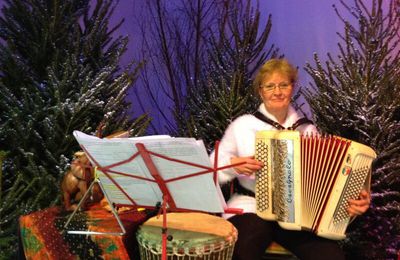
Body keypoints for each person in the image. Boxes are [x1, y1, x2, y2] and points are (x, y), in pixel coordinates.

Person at [210, 58, 371, 260]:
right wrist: (232, 165)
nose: (277, 92)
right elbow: (212, 165)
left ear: (292, 88)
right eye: (270, 86)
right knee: (245, 247)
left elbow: (326, 180)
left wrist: (352, 200)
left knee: (331, 256)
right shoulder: (242, 125)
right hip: (251, 207)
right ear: (261, 91)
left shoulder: (307, 129)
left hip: (297, 215)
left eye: (283, 85)